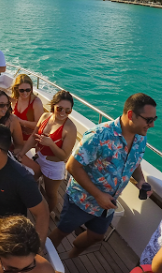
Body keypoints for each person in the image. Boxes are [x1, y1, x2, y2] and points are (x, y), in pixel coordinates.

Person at [49, 93, 157, 258]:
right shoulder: (99, 135)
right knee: (61, 232)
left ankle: (71, 255)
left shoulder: (140, 137)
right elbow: (72, 165)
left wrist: (141, 180)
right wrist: (98, 195)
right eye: (148, 120)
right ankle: (43, 260)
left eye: (154, 119)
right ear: (131, 115)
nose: (152, 125)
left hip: (108, 204)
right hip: (82, 201)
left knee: (97, 236)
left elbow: (135, 160)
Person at [17, 91, 78, 212]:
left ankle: (48, 213)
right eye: (59, 108)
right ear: (53, 106)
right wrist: (22, 152)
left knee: (51, 193)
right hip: (39, 157)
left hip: (54, 166)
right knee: (29, 182)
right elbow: (33, 137)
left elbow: (64, 156)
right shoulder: (45, 117)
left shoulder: (70, 128)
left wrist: (51, 144)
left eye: (67, 110)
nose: (63, 113)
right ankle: (34, 205)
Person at [11, 74, 44, 141]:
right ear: (17, 89)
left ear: (31, 89)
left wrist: (20, 121)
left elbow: (40, 125)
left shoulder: (36, 102)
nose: (25, 93)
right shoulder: (14, 99)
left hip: (30, 139)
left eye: (28, 90)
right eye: (22, 90)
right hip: (15, 136)